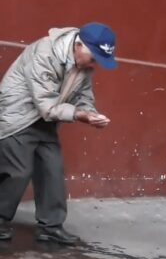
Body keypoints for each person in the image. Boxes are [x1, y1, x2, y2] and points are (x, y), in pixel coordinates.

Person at [0, 22, 117, 244]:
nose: (95, 65)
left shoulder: (84, 65)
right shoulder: (44, 53)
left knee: (52, 169)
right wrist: (80, 115)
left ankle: (50, 227)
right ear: (79, 45)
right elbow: (45, 104)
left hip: (47, 120)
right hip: (19, 116)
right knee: (18, 171)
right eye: (94, 58)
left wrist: (91, 114)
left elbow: (84, 95)